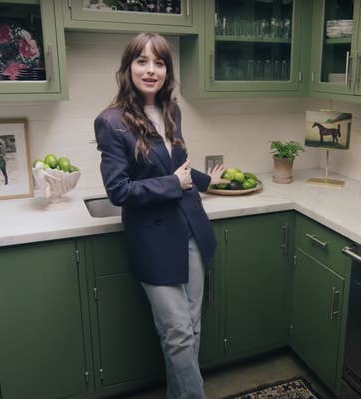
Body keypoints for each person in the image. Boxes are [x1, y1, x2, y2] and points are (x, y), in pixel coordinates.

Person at [93, 32, 226, 399]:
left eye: (160, 62)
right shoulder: (112, 121)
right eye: (142, 61)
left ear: (167, 70)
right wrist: (174, 183)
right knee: (178, 334)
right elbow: (119, 191)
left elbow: (176, 166)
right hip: (153, 240)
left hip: (190, 228)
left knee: (193, 328)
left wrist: (205, 181)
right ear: (128, 68)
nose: (151, 70)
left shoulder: (172, 110)